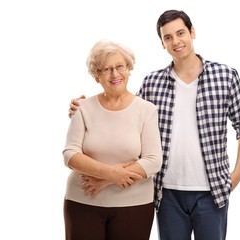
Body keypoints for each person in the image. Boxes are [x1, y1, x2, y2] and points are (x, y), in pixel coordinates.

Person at [69, 10, 240, 240]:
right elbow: (124, 114)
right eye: (168, 37)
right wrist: (83, 107)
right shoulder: (152, 82)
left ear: (192, 33)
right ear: (162, 43)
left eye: (180, 33)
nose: (176, 41)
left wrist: (237, 174)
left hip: (212, 191)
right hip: (166, 193)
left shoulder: (225, 76)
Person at [63, 40, 162, 240]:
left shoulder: (147, 110)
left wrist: (107, 180)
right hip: (82, 203)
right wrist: (111, 174)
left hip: (134, 206)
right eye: (106, 69)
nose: (115, 74)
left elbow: (153, 160)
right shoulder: (82, 108)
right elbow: (70, 155)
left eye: (120, 67)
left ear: (129, 69)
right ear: (96, 76)